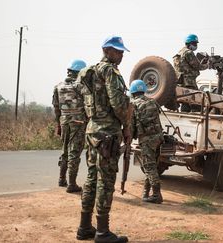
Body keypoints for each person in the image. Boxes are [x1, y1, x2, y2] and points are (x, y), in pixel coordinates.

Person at [76, 36, 131, 243]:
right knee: (106, 181)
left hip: (93, 130)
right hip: (107, 133)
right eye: (118, 51)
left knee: (91, 178)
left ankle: (84, 228)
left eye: (122, 51)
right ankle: (102, 232)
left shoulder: (89, 72)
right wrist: (126, 124)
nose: (122, 54)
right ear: (107, 50)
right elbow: (118, 104)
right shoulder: (110, 71)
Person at [52, 59, 87, 192]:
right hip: (78, 123)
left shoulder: (58, 86)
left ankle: (62, 179)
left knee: (65, 150)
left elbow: (56, 108)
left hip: (64, 121)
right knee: (74, 153)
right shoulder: (81, 87)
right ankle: (72, 184)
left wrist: (58, 124)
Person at [129, 80, 164, 204]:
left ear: (132, 92)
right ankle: (146, 191)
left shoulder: (133, 104)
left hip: (147, 140)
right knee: (152, 165)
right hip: (159, 138)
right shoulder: (152, 101)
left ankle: (156, 194)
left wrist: (129, 138)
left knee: (148, 167)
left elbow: (131, 125)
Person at [173, 34, 208, 112]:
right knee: (197, 102)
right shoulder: (188, 52)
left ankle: (184, 119)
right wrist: (208, 65)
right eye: (194, 43)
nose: (196, 45)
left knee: (185, 102)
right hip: (189, 82)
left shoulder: (180, 52)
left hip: (180, 82)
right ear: (189, 43)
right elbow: (198, 66)